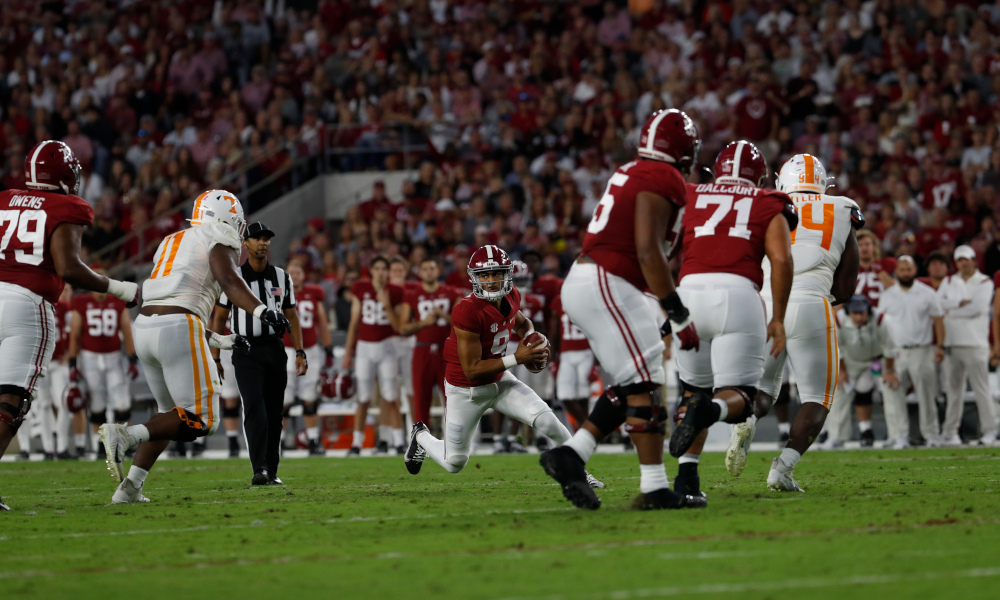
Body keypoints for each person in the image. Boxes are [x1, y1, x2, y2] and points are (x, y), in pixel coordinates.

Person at [538, 109, 706, 511]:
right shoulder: (661, 176)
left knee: (634, 383)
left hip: (596, 281)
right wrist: (678, 313)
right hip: (608, 281)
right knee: (647, 382)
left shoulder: (634, 170)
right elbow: (649, 250)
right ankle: (653, 489)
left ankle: (572, 456)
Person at [97, 192, 288, 503]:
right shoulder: (219, 235)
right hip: (176, 328)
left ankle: (130, 488)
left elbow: (173, 300)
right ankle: (126, 435)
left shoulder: (174, 240)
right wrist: (262, 311)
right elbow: (227, 280)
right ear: (226, 218)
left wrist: (218, 339)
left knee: (168, 415)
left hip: (145, 326)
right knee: (202, 420)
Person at [0, 140, 140, 510]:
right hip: (26, 305)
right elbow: (68, 267)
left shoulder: (5, 199)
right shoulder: (67, 206)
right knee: (10, 404)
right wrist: (121, 288)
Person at [403, 245, 601, 490]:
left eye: (496, 273)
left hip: (500, 381)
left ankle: (579, 473)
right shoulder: (466, 310)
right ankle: (420, 436)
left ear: (507, 273)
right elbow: (472, 369)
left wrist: (532, 338)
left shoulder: (511, 295)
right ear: (474, 278)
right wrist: (519, 357)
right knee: (454, 461)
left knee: (549, 422)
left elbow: (522, 322)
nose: (491, 280)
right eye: (484, 275)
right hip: (466, 391)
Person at [666, 142, 798, 496]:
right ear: (761, 176)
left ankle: (686, 481)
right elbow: (782, 261)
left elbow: (664, 249)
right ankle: (709, 410)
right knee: (738, 397)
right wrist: (779, 318)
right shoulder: (769, 201)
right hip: (737, 295)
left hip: (688, 292)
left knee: (692, 391)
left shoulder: (690, 193)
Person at [213, 222, 303, 484]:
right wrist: (216, 356)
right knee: (254, 407)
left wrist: (300, 351)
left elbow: (292, 317)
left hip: (275, 349)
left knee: (275, 413)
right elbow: (219, 319)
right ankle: (259, 468)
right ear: (245, 244)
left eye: (266, 238)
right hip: (246, 349)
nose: (263, 242)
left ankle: (271, 470)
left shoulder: (282, 277)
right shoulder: (233, 278)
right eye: (257, 238)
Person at [68, 276, 138, 457]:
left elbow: (126, 330)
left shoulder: (117, 301)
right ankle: (101, 445)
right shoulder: (80, 302)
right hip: (90, 357)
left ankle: (124, 442)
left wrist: (131, 357)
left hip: (114, 356)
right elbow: (75, 334)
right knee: (97, 404)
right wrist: (73, 362)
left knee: (122, 402)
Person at [880, 256, 946, 447]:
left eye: (908, 269)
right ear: (896, 272)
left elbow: (939, 321)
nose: (905, 273)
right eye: (902, 269)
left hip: (922, 350)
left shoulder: (927, 293)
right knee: (893, 394)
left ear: (915, 270)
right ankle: (898, 436)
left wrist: (940, 346)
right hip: (895, 351)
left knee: (927, 394)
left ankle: (932, 435)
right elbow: (881, 326)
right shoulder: (887, 295)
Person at [824, 296, 906, 449]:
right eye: (855, 313)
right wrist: (842, 371)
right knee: (839, 389)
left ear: (868, 311)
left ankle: (899, 437)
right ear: (849, 313)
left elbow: (890, 348)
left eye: (862, 313)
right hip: (852, 361)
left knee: (892, 389)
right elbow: (837, 347)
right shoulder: (838, 320)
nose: (859, 317)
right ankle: (836, 438)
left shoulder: (881, 319)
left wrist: (889, 371)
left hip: (879, 360)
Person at [343, 256, 404, 455]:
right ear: (370, 270)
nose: (380, 272)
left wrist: (387, 304)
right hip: (364, 348)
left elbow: (398, 327)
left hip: (387, 346)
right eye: (376, 268)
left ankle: (399, 441)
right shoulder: (360, 288)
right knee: (363, 397)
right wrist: (347, 352)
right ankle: (356, 443)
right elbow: (354, 323)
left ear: (387, 272)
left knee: (391, 396)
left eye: (383, 268)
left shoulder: (395, 292)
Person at [938, 245, 996, 446]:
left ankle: (990, 431)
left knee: (982, 389)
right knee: (953, 391)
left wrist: (952, 307)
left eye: (967, 259)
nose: (964, 262)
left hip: (975, 342)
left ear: (974, 260)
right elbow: (938, 304)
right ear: (956, 262)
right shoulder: (949, 280)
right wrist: (959, 303)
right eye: (960, 259)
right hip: (952, 342)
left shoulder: (985, 282)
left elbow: (977, 308)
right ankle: (950, 432)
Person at [398, 257, 463, 429]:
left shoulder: (452, 292)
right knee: (420, 400)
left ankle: (454, 440)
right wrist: (423, 323)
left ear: (438, 270)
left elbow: (463, 322)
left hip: (446, 350)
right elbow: (403, 327)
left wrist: (443, 315)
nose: (429, 272)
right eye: (425, 268)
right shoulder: (412, 295)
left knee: (453, 398)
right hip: (422, 351)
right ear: (419, 272)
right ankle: (422, 443)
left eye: (432, 268)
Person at [280, 260, 333, 455]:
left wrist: (327, 347)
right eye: (291, 271)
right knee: (283, 399)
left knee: (309, 398)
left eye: (298, 271)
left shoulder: (314, 293)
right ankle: (279, 442)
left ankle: (312, 440)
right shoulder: (279, 294)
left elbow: (322, 322)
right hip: (286, 350)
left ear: (304, 275)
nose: (294, 275)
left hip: (310, 350)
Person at [494, 261, 546, 453]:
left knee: (521, 393)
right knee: (498, 391)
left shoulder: (535, 301)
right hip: (504, 346)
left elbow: (540, 328)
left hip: (526, 346)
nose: (521, 285)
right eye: (518, 280)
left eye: (523, 280)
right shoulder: (499, 300)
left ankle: (514, 438)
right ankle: (499, 438)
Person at [549, 290, 593, 432]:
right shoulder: (559, 299)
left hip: (586, 351)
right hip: (567, 353)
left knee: (583, 395)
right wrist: (553, 358)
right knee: (565, 395)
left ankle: (584, 433)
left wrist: (597, 360)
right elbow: (554, 331)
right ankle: (588, 429)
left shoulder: (590, 297)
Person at [854, 230, 895, 306]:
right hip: (856, 313)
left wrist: (880, 271)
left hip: (884, 311)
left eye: (867, 244)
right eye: (860, 245)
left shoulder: (887, 264)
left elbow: (897, 291)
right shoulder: (849, 268)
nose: (864, 248)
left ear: (874, 246)